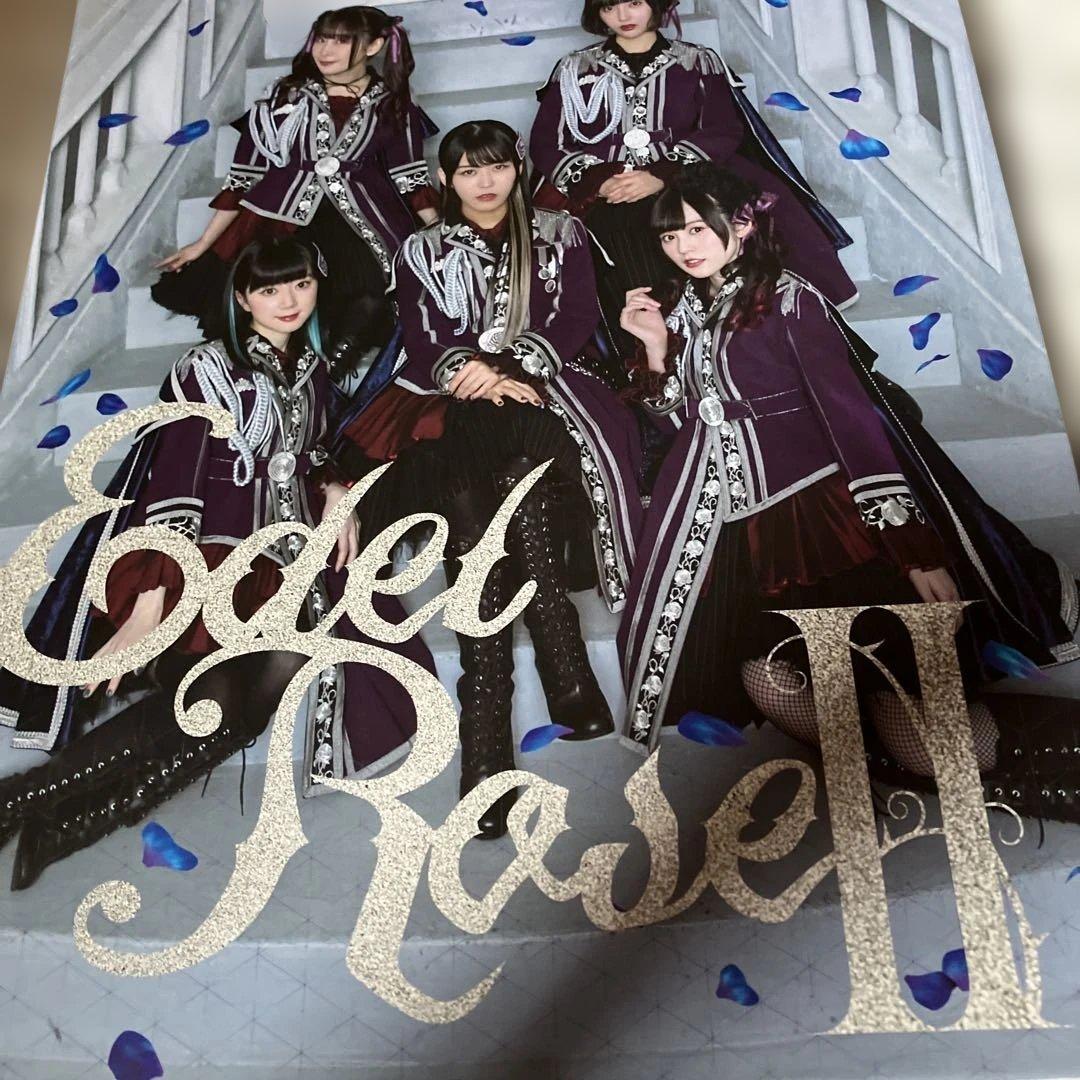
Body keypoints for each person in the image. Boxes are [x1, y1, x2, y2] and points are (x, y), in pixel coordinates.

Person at [617, 163, 1080, 824]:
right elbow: (688, 422)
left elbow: (854, 426)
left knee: (935, 741)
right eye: (670, 235)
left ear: (742, 224)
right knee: (768, 682)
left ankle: (1012, 757)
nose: (684, 246)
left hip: (828, 521)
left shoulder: (789, 300)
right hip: (747, 533)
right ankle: (901, 745)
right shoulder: (684, 309)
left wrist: (915, 550)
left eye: (698, 228)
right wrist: (657, 351)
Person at [0, 238, 435, 889]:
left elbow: (312, 453)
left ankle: (63, 820)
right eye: (268, 289)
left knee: (260, 688)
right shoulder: (203, 370)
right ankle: (31, 803)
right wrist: (152, 603)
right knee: (221, 700)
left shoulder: (312, 370)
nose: (287, 301)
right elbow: (175, 478)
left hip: (287, 566)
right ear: (242, 298)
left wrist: (334, 487)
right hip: (205, 563)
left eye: (299, 285)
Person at [340, 120, 644, 838]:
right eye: (468, 171)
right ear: (446, 180)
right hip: (454, 397)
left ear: (517, 168)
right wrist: (472, 374)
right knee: (478, 492)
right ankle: (550, 675)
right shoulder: (421, 249)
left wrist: (511, 369)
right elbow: (422, 335)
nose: (485, 182)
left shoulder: (560, 232)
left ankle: (490, 728)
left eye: (497, 166)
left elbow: (575, 316)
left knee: (513, 466)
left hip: (549, 386)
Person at [530, 0, 857, 370]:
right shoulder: (575, 67)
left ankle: (731, 354)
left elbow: (722, 129)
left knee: (713, 222)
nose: (623, 16)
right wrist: (599, 182)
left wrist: (660, 175)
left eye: (634, 2)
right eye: (609, 6)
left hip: (683, 178)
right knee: (603, 243)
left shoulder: (697, 61)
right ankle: (652, 366)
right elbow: (547, 142)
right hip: (603, 191)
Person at [153, 6, 439, 374]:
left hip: (362, 223)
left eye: (342, 41)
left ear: (374, 46)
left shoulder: (394, 106)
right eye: (322, 39)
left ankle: (325, 374)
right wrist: (203, 244)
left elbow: (410, 177)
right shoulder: (284, 97)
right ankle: (272, 368)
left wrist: (440, 233)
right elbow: (243, 176)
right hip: (280, 218)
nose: (326, 50)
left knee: (372, 298)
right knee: (272, 288)